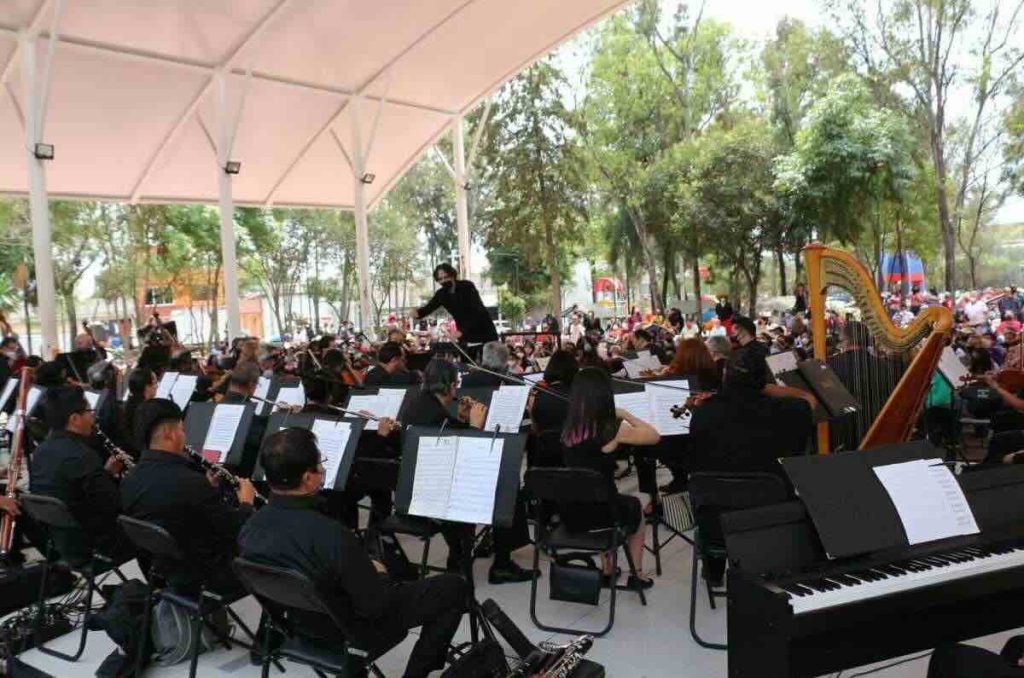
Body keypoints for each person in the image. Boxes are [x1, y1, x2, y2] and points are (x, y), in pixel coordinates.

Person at [239, 428, 467, 678]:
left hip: (299, 625)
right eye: (319, 464)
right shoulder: (331, 534)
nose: (323, 469)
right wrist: (378, 574)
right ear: (307, 478)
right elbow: (375, 607)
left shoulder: (249, 527)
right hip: (351, 631)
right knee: (454, 587)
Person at [403, 359, 535, 584]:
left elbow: (447, 435)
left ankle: (462, 554)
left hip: (421, 483)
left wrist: (462, 420)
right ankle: (501, 564)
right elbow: (465, 455)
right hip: (440, 492)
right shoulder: (436, 414)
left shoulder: (419, 404)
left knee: (504, 483)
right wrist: (475, 425)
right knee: (508, 485)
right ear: (452, 386)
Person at [688, 348, 813, 584]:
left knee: (714, 486)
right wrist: (764, 387)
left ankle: (714, 570)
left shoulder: (703, 414)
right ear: (763, 379)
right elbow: (809, 399)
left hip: (715, 524)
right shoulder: (791, 411)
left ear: (725, 376)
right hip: (771, 520)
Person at [120, 399, 255, 595]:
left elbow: (179, 508)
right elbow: (235, 531)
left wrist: (208, 490)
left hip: (168, 570)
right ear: (169, 434)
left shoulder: (129, 479)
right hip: (211, 577)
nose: (184, 436)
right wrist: (246, 502)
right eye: (182, 430)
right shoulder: (190, 482)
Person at [560, 368, 658, 589]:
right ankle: (637, 574)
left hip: (571, 512)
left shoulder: (567, 430)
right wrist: (625, 416)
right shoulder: (612, 428)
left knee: (606, 498)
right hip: (604, 512)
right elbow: (654, 436)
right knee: (634, 508)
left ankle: (608, 569)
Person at [29, 386, 128, 564]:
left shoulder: (40, 451)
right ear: (74, 419)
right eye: (89, 412)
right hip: (95, 544)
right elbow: (114, 504)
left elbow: (76, 490)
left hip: (62, 542)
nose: (93, 417)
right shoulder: (82, 455)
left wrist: (104, 474)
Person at [412, 263, 496, 359]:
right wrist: (417, 313)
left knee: (491, 365)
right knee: (468, 365)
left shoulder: (467, 286)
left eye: (446, 277)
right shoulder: (441, 294)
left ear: (452, 275)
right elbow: (427, 309)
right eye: (440, 279)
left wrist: (461, 331)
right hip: (466, 337)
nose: (443, 281)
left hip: (484, 331)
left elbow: (477, 311)